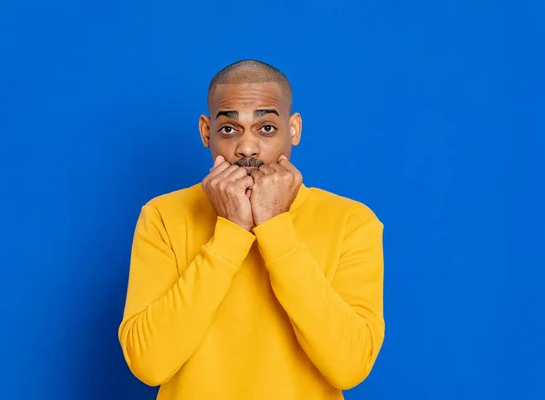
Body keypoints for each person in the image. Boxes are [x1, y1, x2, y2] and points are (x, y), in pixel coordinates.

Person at [117, 59, 385, 399]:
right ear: (205, 132)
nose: (246, 148)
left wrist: (275, 227)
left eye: (266, 128)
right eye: (229, 129)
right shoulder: (162, 215)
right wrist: (230, 232)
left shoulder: (351, 221)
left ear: (295, 130)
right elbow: (149, 364)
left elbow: (349, 367)